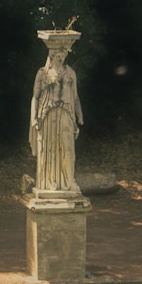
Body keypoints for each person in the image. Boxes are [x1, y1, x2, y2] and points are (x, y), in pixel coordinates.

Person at [30, 46, 83, 193]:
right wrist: (34, 118)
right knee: (49, 148)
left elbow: (75, 96)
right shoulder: (43, 73)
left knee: (67, 148)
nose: (61, 57)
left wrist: (80, 116)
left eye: (63, 54)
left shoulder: (70, 73)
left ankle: (69, 180)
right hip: (48, 115)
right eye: (58, 55)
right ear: (51, 56)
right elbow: (35, 97)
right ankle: (50, 181)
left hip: (66, 114)